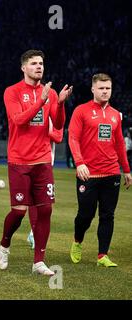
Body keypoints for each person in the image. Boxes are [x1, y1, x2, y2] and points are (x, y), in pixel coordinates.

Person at [0, 49, 72, 276]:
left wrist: (61, 104)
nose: (39, 67)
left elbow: (57, 124)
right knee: (19, 212)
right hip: (19, 160)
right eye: (34, 63)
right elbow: (19, 120)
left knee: (46, 209)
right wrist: (41, 101)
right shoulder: (12, 92)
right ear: (23, 68)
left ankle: (39, 261)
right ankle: (4, 245)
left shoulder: (50, 92)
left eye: (41, 63)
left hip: (42, 160)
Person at [68, 73, 131, 267]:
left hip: (111, 172)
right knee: (85, 215)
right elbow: (73, 138)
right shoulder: (81, 111)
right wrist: (79, 162)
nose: (105, 91)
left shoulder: (115, 115)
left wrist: (127, 170)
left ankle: (102, 255)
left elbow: (120, 144)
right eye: (101, 88)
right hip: (88, 173)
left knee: (108, 215)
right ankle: (77, 241)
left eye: (108, 88)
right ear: (93, 89)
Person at [27, 119, 64, 249]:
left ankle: (35, 233)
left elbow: (59, 137)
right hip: (28, 161)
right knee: (32, 201)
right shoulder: (32, 109)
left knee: (45, 204)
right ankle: (33, 233)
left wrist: (45, 131)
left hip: (46, 162)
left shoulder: (54, 114)